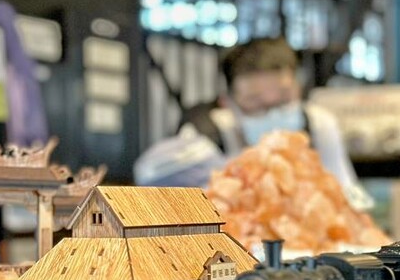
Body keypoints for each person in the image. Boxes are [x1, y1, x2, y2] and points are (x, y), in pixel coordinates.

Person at [134, 37, 373, 209]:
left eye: (283, 98)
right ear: (228, 102)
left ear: (298, 87)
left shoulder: (319, 124)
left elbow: (348, 190)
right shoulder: (206, 133)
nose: (272, 111)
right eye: (255, 102)